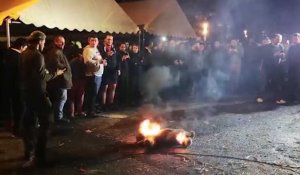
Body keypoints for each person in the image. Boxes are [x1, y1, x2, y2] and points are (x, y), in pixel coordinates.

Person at [20, 31, 65, 167]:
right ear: (40, 41)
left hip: (26, 92)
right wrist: (55, 73)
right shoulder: (38, 55)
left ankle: (29, 151)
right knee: (46, 121)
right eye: (44, 42)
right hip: (38, 94)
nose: (44, 44)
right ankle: (40, 155)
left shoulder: (24, 53)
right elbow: (41, 77)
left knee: (29, 123)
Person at [2, 38, 27, 136]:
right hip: (16, 88)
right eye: (25, 48)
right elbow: (19, 74)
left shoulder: (6, 53)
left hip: (7, 87)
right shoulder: (17, 57)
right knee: (19, 109)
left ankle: (13, 127)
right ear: (21, 47)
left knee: (12, 109)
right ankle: (18, 130)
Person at [45, 36, 72, 124]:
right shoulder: (55, 52)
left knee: (61, 99)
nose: (63, 44)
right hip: (60, 80)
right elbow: (56, 64)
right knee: (61, 98)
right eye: (61, 42)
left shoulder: (57, 51)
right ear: (55, 42)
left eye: (64, 42)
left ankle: (58, 116)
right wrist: (64, 67)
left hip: (59, 79)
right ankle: (58, 118)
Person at [83, 35, 104, 117]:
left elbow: (98, 59)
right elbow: (87, 62)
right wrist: (99, 62)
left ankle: (92, 110)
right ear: (89, 41)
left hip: (98, 74)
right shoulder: (88, 50)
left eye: (96, 40)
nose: (94, 42)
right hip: (92, 74)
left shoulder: (96, 49)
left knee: (94, 93)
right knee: (92, 93)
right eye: (92, 40)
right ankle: (90, 112)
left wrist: (102, 61)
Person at [99, 35, 119, 110]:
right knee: (105, 87)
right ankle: (103, 105)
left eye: (111, 39)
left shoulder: (115, 48)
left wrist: (118, 68)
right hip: (105, 70)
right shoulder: (101, 48)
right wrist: (106, 54)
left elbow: (118, 59)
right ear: (105, 40)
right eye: (108, 39)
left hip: (113, 71)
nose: (109, 41)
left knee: (113, 87)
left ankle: (110, 104)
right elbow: (99, 57)